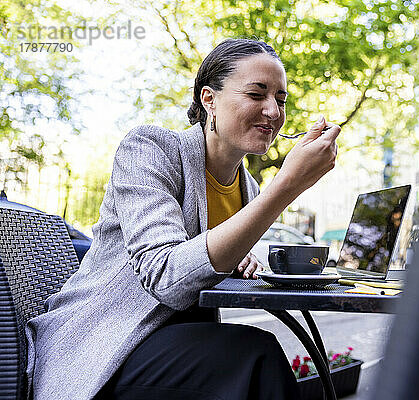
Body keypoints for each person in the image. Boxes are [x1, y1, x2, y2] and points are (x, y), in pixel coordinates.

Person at [25, 38, 341, 400]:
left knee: (250, 357)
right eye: (257, 95)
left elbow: (203, 258)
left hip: (176, 345)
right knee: (256, 354)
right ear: (209, 100)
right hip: (101, 350)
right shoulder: (150, 149)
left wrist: (236, 257)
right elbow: (167, 276)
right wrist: (286, 186)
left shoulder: (249, 189)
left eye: (281, 100)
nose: (273, 110)